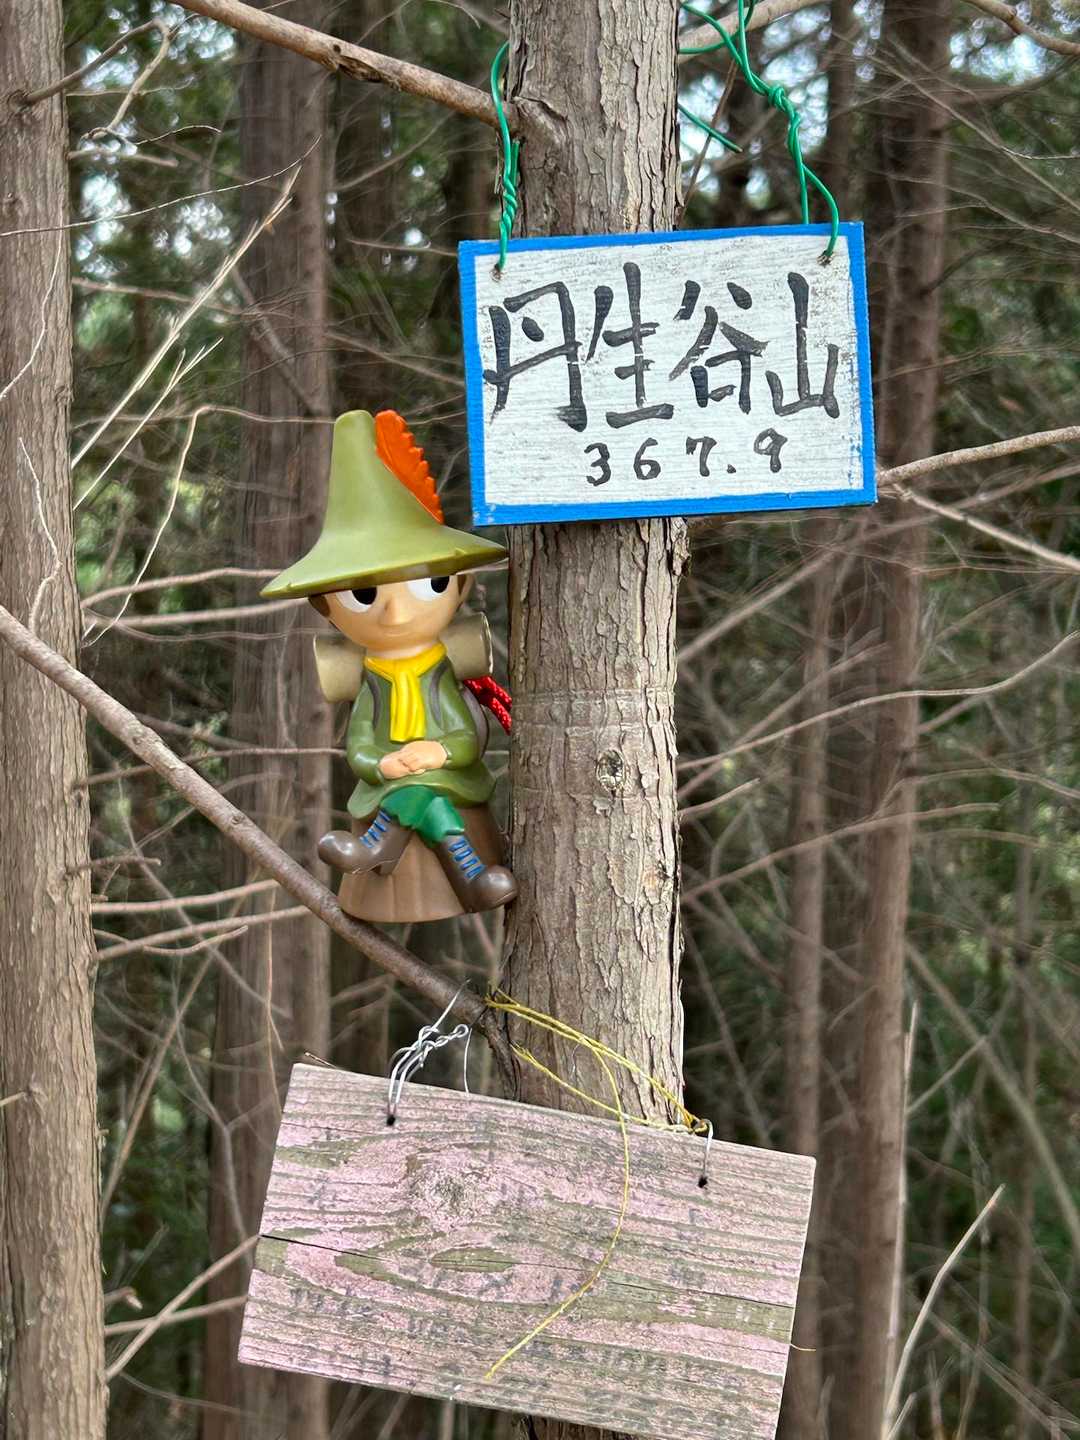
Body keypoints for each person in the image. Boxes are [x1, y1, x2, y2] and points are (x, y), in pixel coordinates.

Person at [262, 409, 516, 920]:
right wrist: (381, 764)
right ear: (325, 606)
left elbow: (468, 736)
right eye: (363, 595)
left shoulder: (439, 672)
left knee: (420, 790)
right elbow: (359, 742)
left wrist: (438, 751)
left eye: (430, 584)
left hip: (448, 776)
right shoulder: (372, 681)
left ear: (460, 585)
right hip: (398, 781)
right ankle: (471, 881)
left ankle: (378, 846)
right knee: (419, 794)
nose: (395, 614)